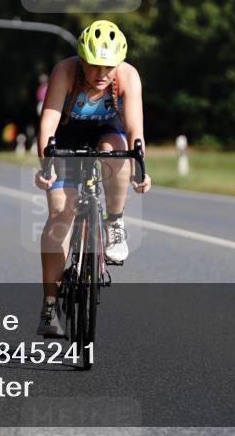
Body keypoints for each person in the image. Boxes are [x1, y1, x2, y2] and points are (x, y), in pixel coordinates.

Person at [33, 20, 152, 337]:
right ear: (81, 60)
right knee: (60, 216)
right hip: (67, 136)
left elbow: (135, 132)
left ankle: (114, 222)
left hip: (106, 132)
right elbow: (47, 127)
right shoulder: (65, 72)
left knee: (118, 151)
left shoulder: (127, 76)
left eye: (108, 68)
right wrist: (47, 168)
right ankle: (49, 303)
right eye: (93, 66)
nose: (101, 75)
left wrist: (140, 169)